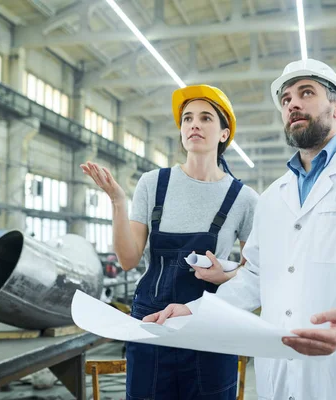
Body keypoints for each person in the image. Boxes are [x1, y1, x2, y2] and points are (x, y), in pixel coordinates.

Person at [144, 59, 336, 400]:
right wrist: (194, 309)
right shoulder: (274, 197)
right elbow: (256, 278)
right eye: (286, 99)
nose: (293, 103)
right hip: (281, 371)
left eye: (306, 93)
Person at [80, 84, 259, 400]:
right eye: (187, 118)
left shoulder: (244, 200)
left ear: (223, 133)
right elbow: (128, 259)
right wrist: (119, 202)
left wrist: (224, 275)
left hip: (209, 326)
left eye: (205, 118)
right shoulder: (152, 184)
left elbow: (253, 273)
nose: (194, 124)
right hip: (151, 323)